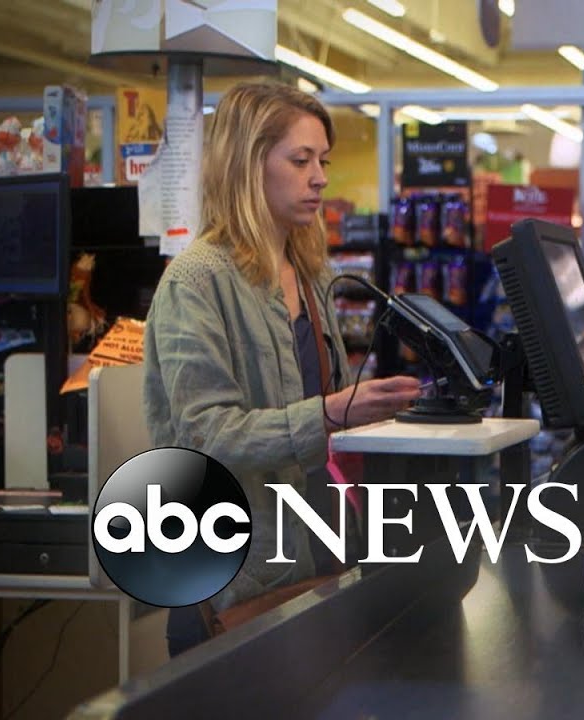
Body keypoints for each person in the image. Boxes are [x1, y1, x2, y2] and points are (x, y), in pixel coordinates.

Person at [143, 82, 423, 656]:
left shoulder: (314, 274)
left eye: (323, 160)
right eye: (300, 160)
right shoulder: (196, 282)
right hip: (234, 584)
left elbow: (331, 419)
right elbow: (205, 437)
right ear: (248, 164)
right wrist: (329, 413)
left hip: (320, 557)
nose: (319, 176)